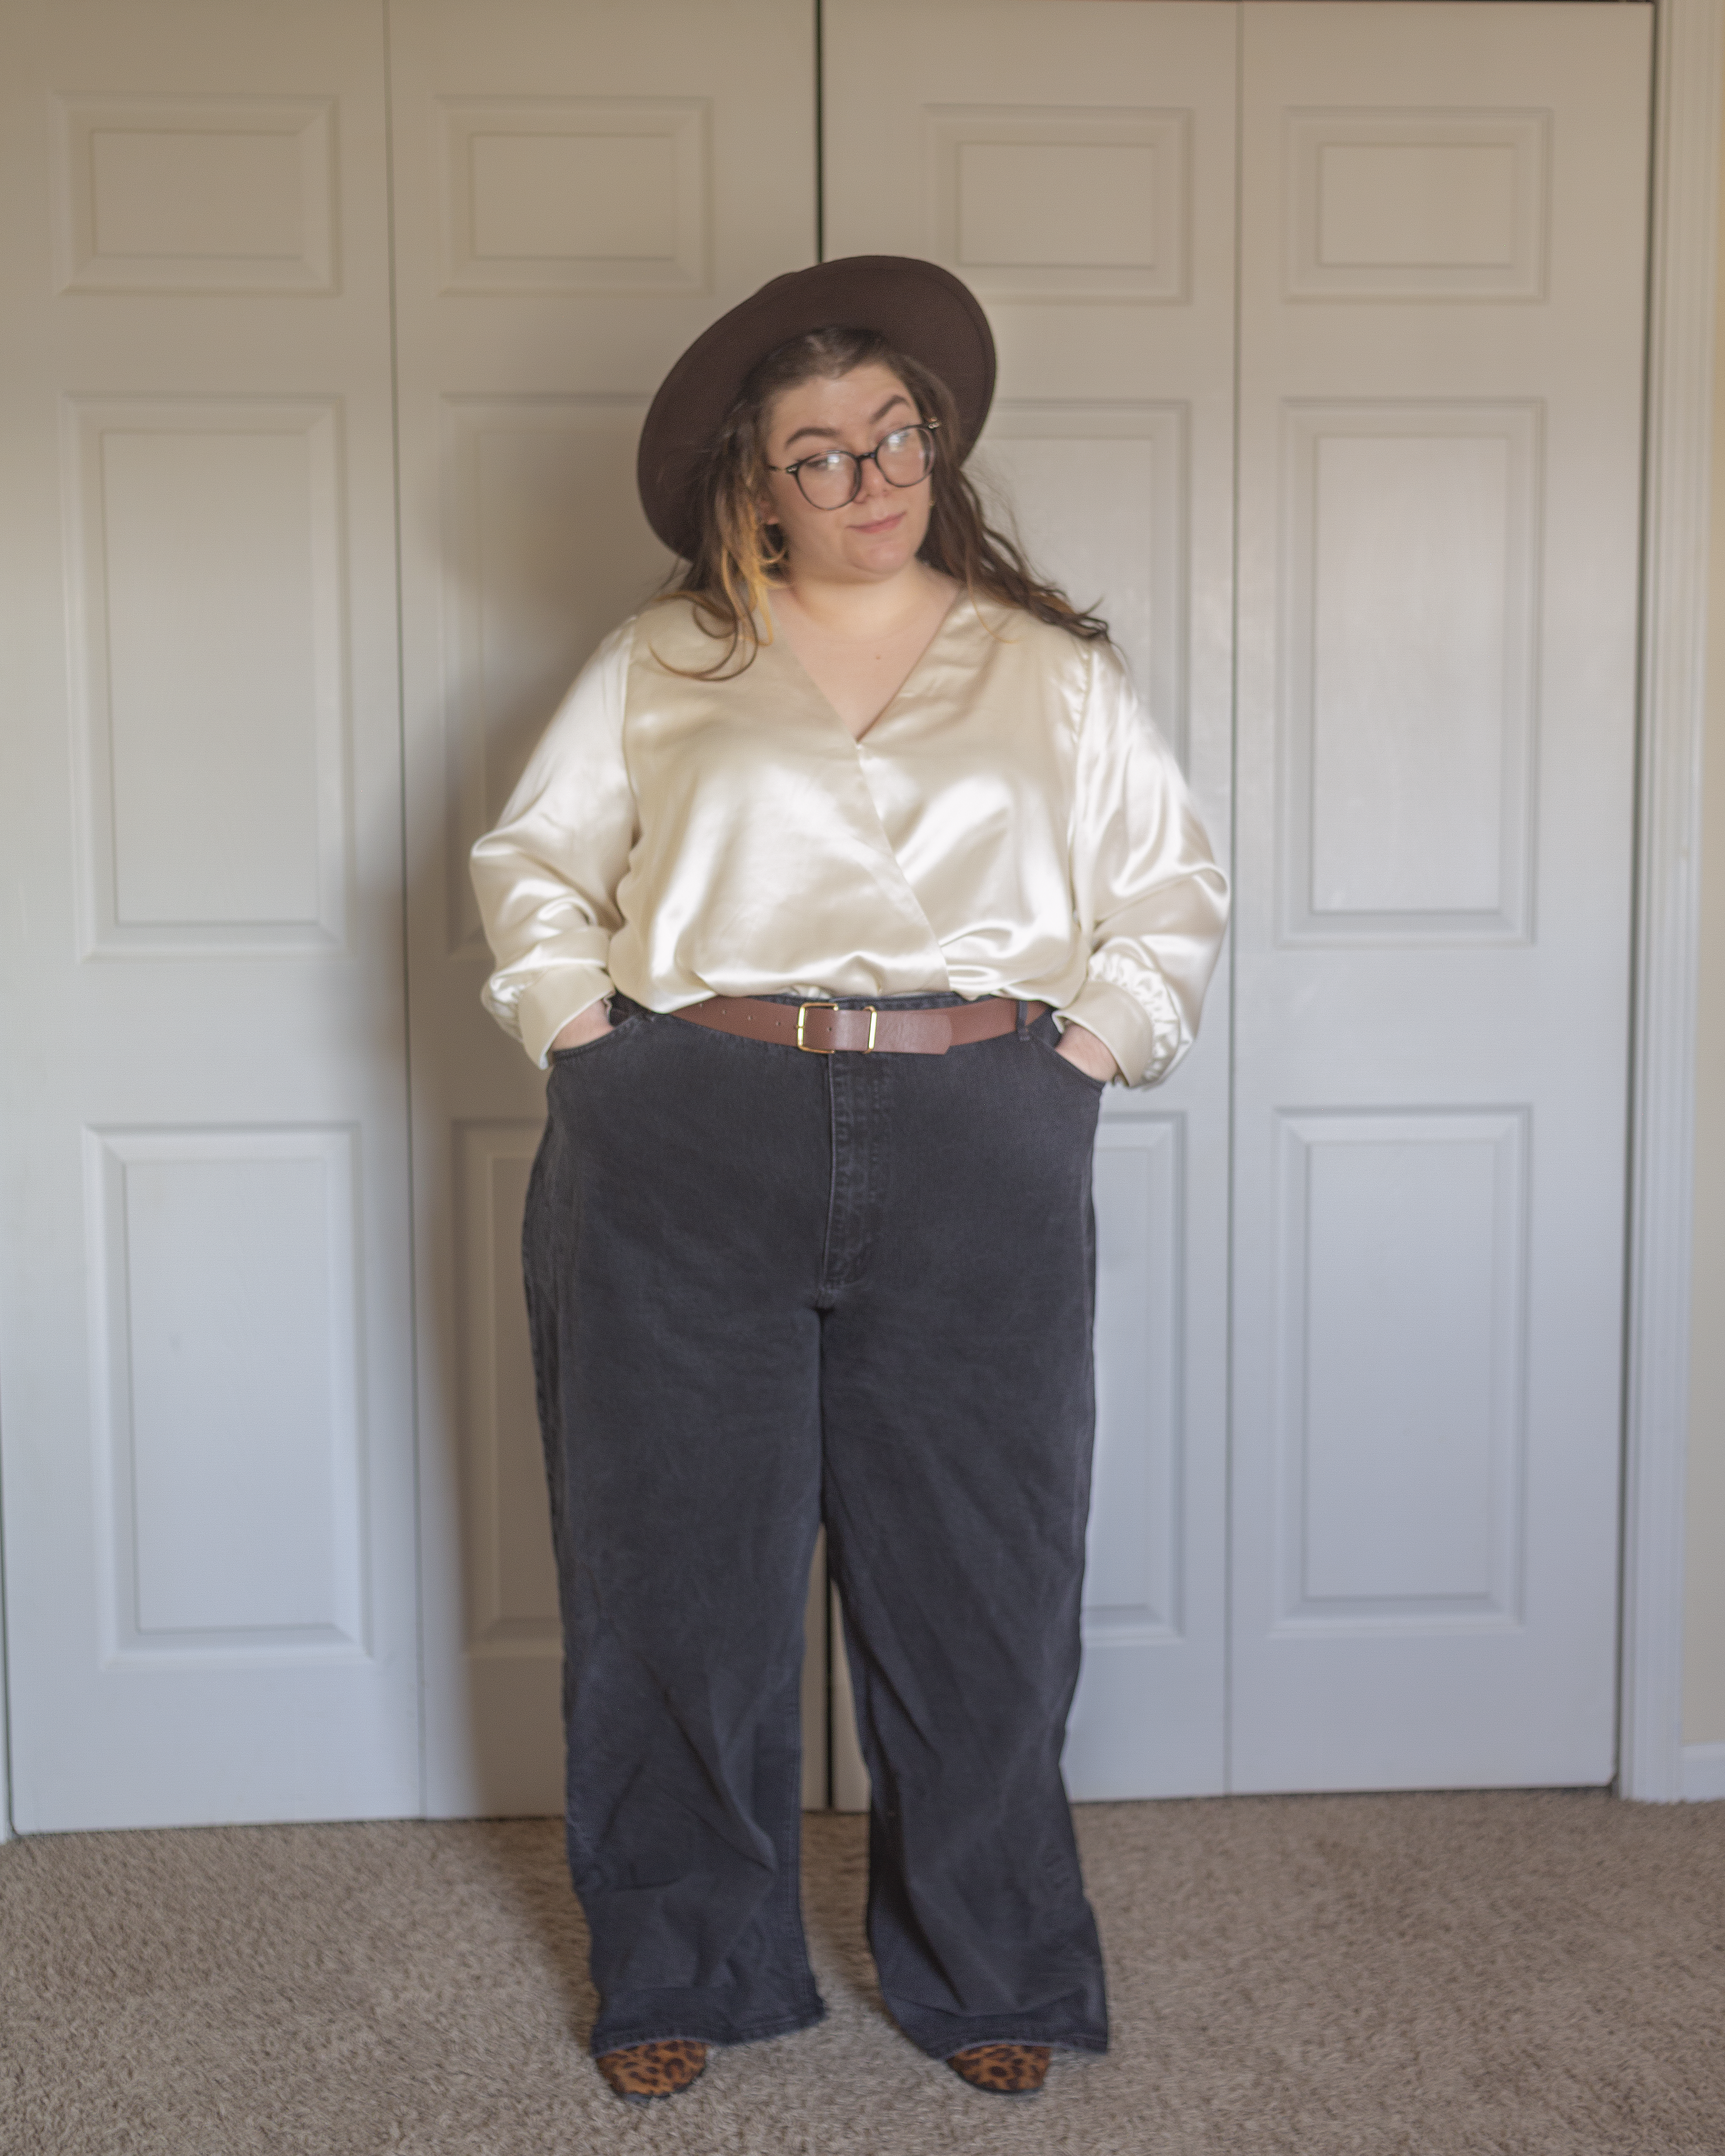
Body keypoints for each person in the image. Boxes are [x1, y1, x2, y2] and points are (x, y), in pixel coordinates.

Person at [471, 255, 1229, 2105]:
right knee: (676, 1578)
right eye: (822, 453)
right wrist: (592, 1039)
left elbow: (1171, 895)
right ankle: (686, 1957)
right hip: (689, 1141)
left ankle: (992, 1963)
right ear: (754, 489)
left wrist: (1080, 1060)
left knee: (983, 1582)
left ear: (936, 450)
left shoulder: (1050, 677)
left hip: (980, 1142)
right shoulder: (664, 664)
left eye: (894, 436)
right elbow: (528, 864)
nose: (872, 475)